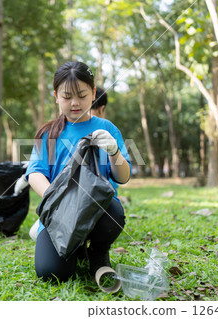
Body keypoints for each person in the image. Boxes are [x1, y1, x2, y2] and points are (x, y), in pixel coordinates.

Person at [26, 62, 131, 281]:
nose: (75, 103)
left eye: (82, 95)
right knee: (51, 273)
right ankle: (76, 247)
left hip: (98, 208)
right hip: (59, 213)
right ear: (56, 96)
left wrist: (113, 152)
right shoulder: (48, 133)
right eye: (66, 97)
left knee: (114, 211)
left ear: (93, 94)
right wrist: (60, 200)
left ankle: (98, 253)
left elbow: (123, 177)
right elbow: (35, 174)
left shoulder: (108, 128)